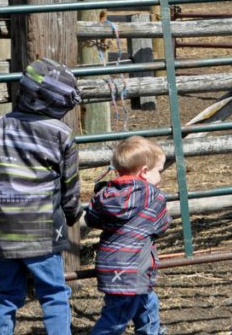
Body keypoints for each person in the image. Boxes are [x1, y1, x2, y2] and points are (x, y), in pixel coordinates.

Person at [0, 58, 83, 334]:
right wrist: (71, 213)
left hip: (2, 230)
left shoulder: (0, 126)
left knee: (8, 295)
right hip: (41, 232)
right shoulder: (61, 134)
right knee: (54, 294)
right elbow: (70, 184)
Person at [85, 136, 172, 335]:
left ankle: (152, 332)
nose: (160, 176)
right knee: (115, 320)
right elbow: (161, 226)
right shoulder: (154, 197)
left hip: (110, 265)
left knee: (147, 302)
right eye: (159, 170)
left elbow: (92, 219)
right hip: (133, 269)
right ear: (144, 172)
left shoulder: (105, 194)